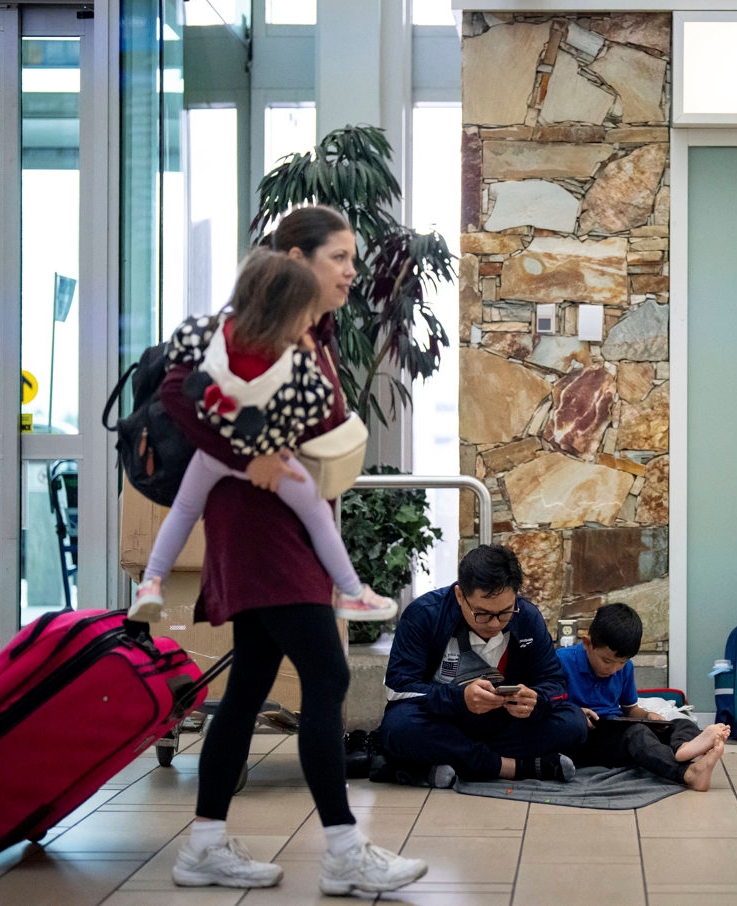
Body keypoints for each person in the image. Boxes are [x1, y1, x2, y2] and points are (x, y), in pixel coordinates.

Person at [157, 205, 428, 896]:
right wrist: (251, 455)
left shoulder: (315, 334)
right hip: (261, 535)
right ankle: (343, 854)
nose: (351, 270)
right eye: (338, 256)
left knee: (247, 687)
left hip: (291, 531)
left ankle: (204, 848)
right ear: (296, 258)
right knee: (328, 678)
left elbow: (323, 423)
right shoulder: (243, 324)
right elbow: (173, 389)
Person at [128, 248, 396, 625]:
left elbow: (179, 376)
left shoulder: (215, 334)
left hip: (216, 453)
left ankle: (152, 583)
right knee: (317, 512)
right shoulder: (290, 352)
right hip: (267, 458)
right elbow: (317, 404)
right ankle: (352, 592)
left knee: (185, 511)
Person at [380, 544, 588, 787]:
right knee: (399, 728)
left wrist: (536, 699)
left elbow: (555, 683)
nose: (494, 623)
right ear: (460, 595)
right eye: (482, 614)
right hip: (446, 720)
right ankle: (513, 767)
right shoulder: (424, 615)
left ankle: (452, 760)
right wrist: (459, 699)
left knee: (573, 723)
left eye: (505, 612)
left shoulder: (527, 617)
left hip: (501, 724)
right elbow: (398, 687)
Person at [558, 602, 729, 791]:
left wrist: (649, 717)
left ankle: (683, 748)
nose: (613, 669)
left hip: (616, 725)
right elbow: (547, 707)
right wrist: (576, 713)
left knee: (679, 722)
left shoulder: (625, 669)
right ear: (587, 644)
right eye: (606, 661)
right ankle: (688, 773)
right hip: (586, 739)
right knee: (637, 734)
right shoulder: (562, 662)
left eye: (621, 663)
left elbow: (630, 709)